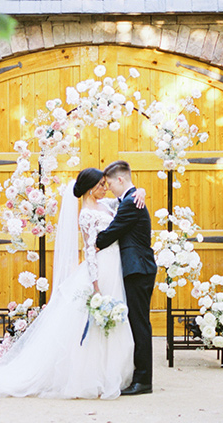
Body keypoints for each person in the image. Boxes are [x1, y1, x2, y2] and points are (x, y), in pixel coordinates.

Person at [0, 168, 141, 399]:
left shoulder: (105, 205)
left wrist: (142, 191)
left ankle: (112, 371)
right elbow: (89, 249)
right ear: (90, 188)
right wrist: (95, 284)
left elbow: (125, 199)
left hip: (114, 266)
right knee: (95, 323)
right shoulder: (87, 214)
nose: (104, 188)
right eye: (100, 185)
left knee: (111, 322)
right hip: (101, 270)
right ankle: (91, 377)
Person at [96, 160, 157, 396]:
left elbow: (109, 235)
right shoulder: (130, 198)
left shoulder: (131, 203)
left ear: (121, 180)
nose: (109, 188)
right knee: (137, 323)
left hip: (138, 269)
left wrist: (94, 240)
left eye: (110, 183)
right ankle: (140, 376)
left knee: (140, 324)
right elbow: (99, 202)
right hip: (136, 269)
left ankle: (143, 381)